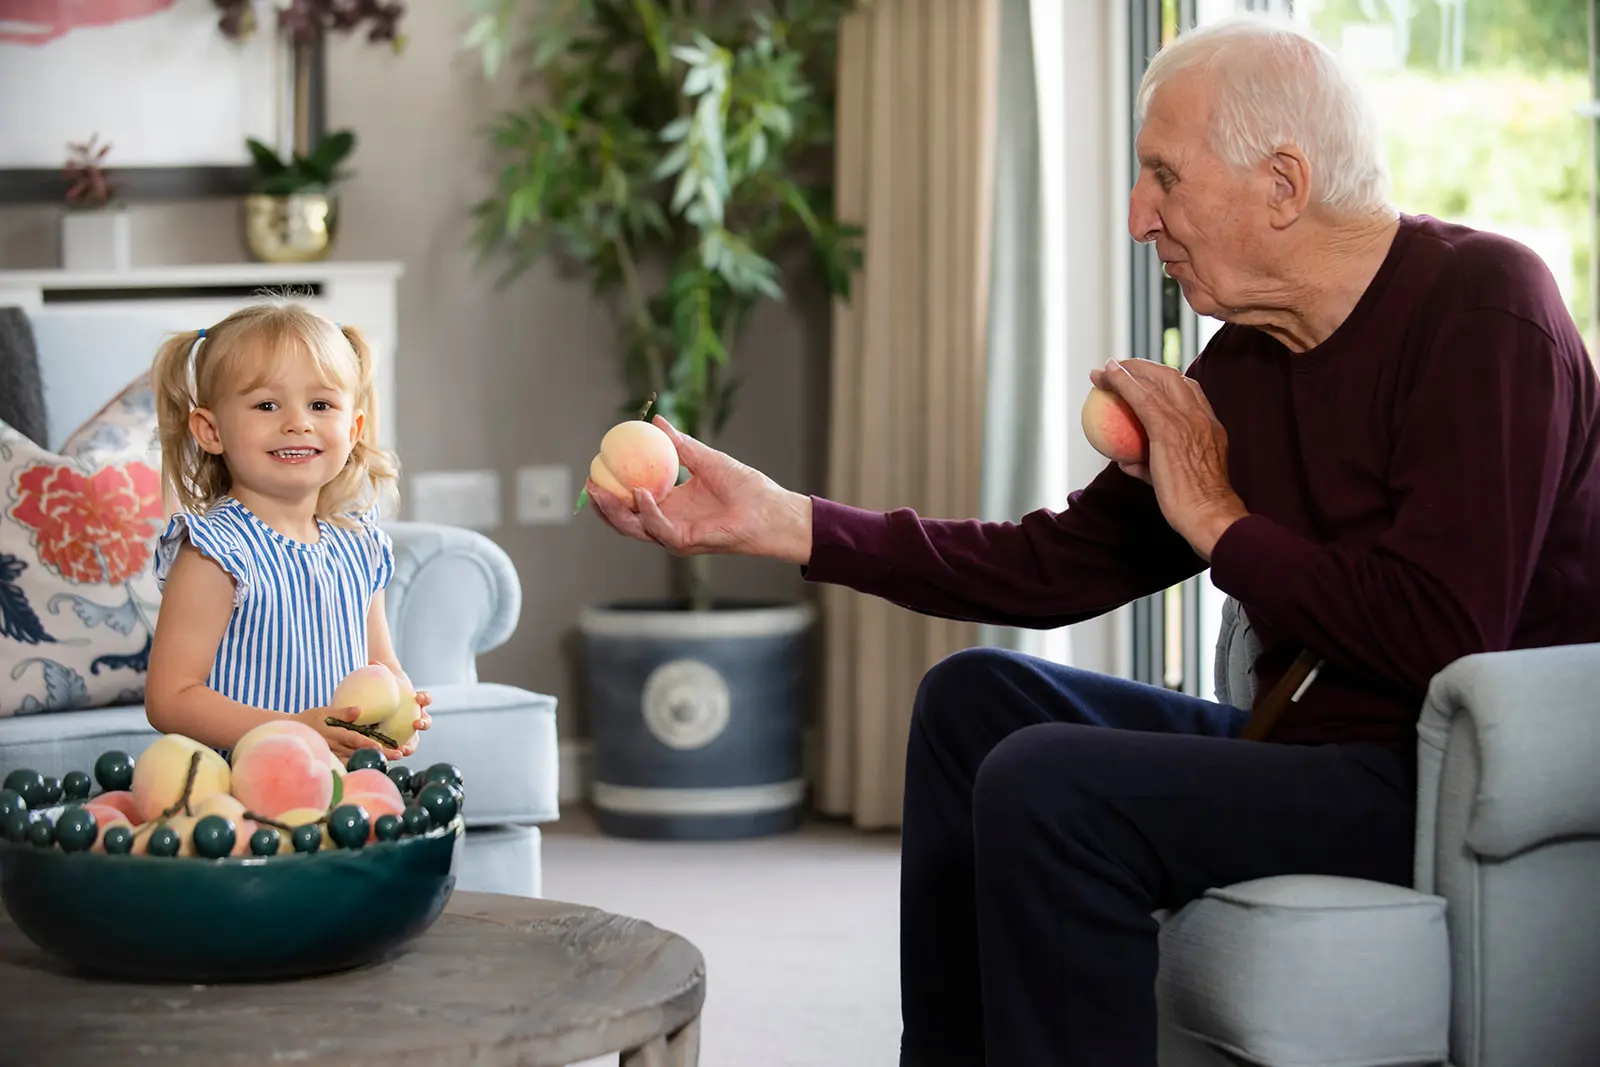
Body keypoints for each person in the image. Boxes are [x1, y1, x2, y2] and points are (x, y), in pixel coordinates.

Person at [585, 15, 1600, 1067]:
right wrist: (786, 520)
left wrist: (1219, 520)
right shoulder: (1247, 361)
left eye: (1164, 175)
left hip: (1436, 779)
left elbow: (1441, 632)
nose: (1136, 215)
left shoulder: (1486, 309)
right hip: (1307, 753)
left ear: (1283, 185)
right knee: (973, 700)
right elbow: (1052, 562)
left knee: (1050, 782)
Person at [145, 302, 432, 764]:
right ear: (211, 431)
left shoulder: (360, 544)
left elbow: (380, 666)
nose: (298, 422)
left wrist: (402, 706)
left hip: (337, 779)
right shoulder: (216, 551)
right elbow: (170, 699)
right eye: (267, 405)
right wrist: (295, 729)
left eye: (320, 405)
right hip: (239, 783)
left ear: (353, 429)